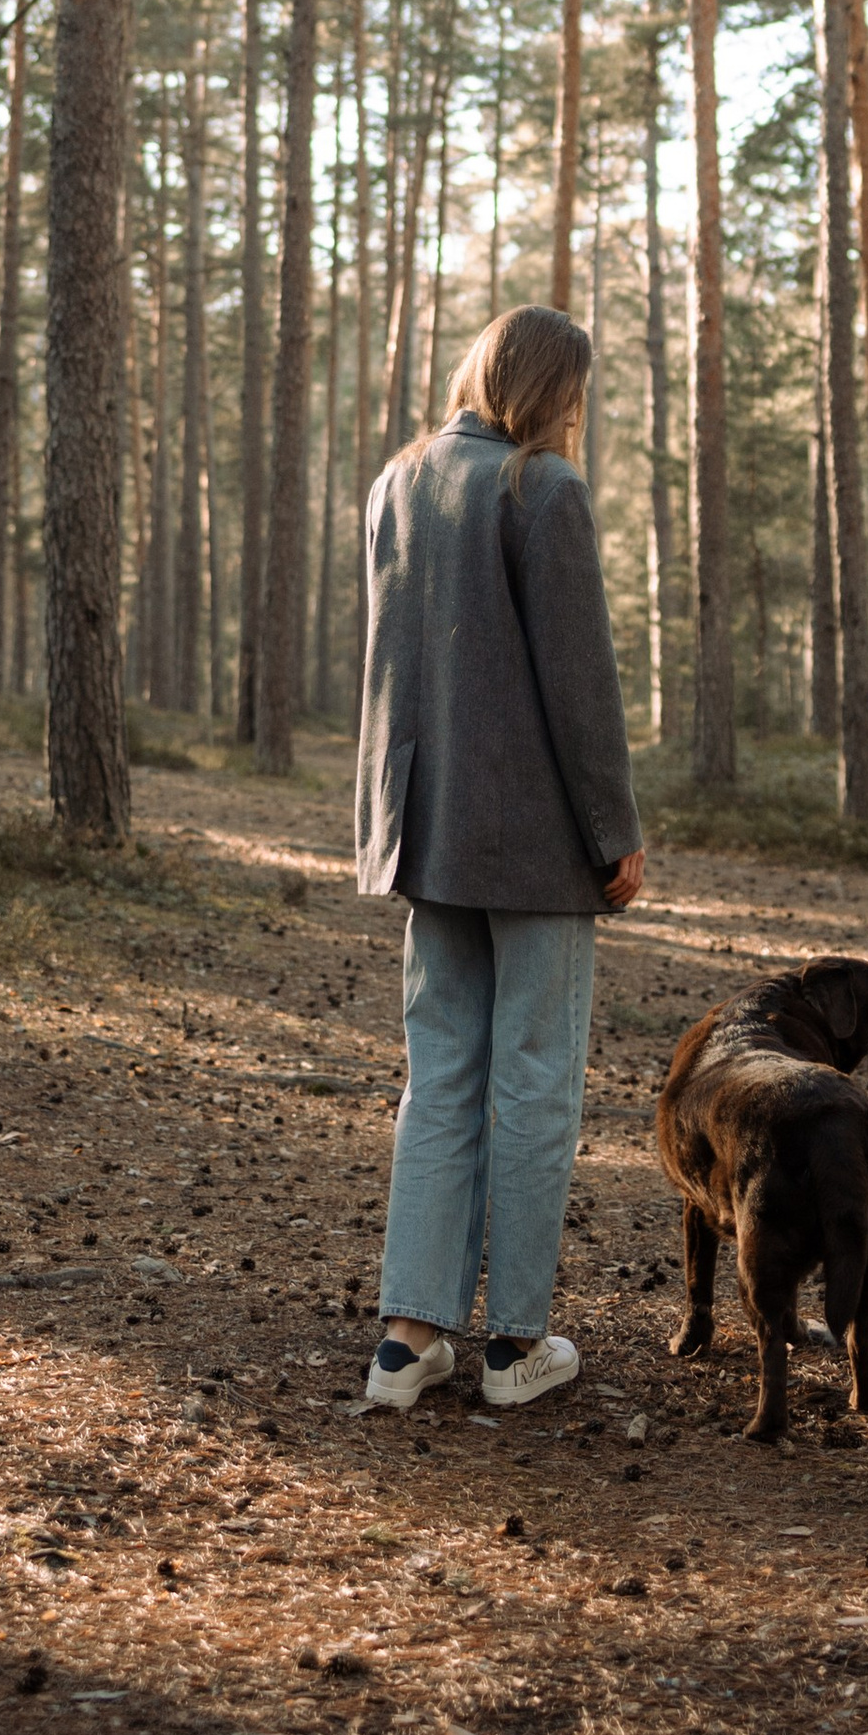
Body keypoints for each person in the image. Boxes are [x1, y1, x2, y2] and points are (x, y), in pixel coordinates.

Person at [354, 303, 645, 1415]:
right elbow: (582, 684)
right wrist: (612, 830)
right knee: (533, 1084)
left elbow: (391, 671)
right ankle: (514, 1348)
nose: (577, 411)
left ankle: (406, 1343)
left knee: (439, 1084)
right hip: (532, 844)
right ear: (546, 389)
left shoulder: (398, 482)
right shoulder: (541, 489)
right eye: (572, 391)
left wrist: (392, 818)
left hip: (426, 832)